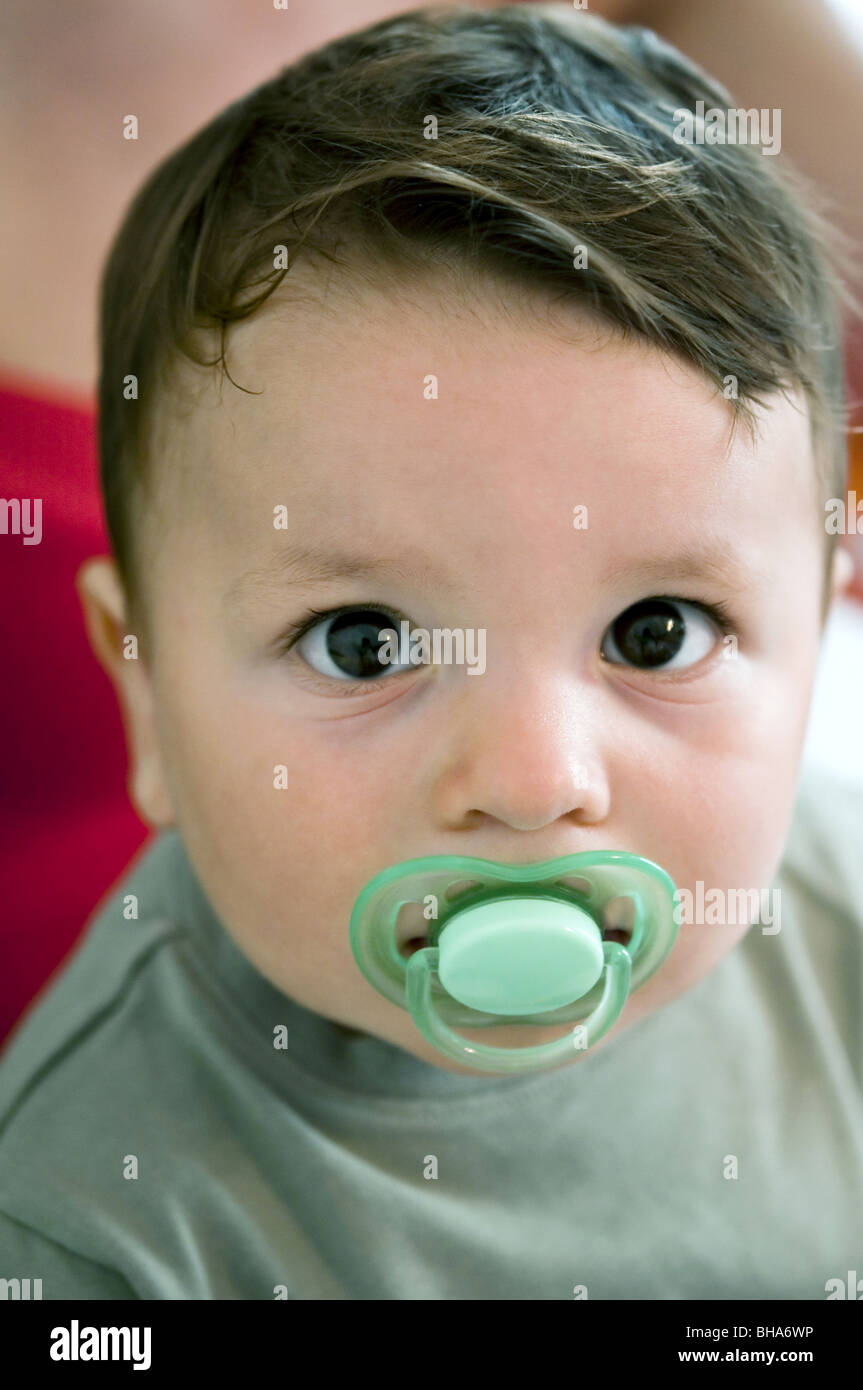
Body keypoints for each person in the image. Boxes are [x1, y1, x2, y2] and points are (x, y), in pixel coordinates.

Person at [1, 2, 861, 1299]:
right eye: (364, 642)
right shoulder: (93, 1218)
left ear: (818, 633)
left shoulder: (840, 935)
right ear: (150, 692)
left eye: (655, 632)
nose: (528, 776)